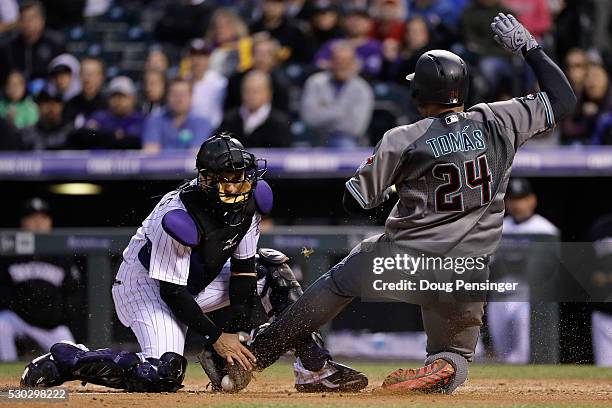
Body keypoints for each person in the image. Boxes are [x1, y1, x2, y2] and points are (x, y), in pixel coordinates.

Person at [227, 14, 576, 394]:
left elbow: (354, 202)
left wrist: (394, 191)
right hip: (471, 267)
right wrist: (530, 47)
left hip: (406, 259)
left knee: (339, 282)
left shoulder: (403, 137)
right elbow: (564, 99)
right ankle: (445, 364)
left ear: (418, 95)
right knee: (455, 354)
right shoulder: (498, 118)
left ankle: (255, 356)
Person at [20, 134, 367, 393]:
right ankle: (70, 360)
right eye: (229, 179)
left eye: (243, 177)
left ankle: (314, 369)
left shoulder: (249, 203)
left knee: (273, 269)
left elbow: (244, 272)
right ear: (207, 179)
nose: (240, 186)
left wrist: (237, 332)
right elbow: (173, 292)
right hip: (147, 289)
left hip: (202, 280)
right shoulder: (178, 216)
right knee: (164, 373)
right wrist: (216, 337)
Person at [487, 178, 559, 364]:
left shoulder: (545, 229)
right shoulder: (498, 228)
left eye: (522, 199)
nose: (517, 204)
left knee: (523, 354)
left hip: (526, 299)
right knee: (502, 354)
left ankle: (528, 390)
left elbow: (546, 271)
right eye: (513, 199)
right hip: (499, 297)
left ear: (532, 200)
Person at [0, 198, 80, 362]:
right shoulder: (9, 254)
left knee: (74, 359)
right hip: (18, 319)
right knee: (1, 324)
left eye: (42, 218)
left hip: (52, 325)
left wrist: (60, 316)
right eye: (32, 218)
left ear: (50, 222)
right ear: (23, 222)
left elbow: (74, 292)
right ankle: (5, 373)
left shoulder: (61, 253)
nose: (37, 223)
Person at [301, 41, 374, 147]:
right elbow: (309, 118)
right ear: (330, 62)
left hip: (346, 140)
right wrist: (342, 112)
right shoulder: (315, 82)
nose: (342, 65)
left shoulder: (362, 89)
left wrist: (324, 111)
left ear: (354, 64)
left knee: (344, 144)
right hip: (315, 137)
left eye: (346, 61)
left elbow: (356, 127)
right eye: (337, 60)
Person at [219, 70, 292, 148]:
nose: (251, 96)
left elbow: (283, 153)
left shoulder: (280, 122)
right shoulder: (230, 119)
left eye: (255, 91)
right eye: (247, 91)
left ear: (268, 93)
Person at [224, 34, 290, 114]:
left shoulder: (281, 84)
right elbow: (229, 109)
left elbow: (283, 114)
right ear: (251, 55)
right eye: (258, 53)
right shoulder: (236, 79)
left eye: (267, 54)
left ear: (274, 59)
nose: (261, 58)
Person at [142, 78, 212, 152]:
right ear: (167, 96)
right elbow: (150, 152)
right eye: (174, 94)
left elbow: (196, 154)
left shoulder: (202, 123)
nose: (179, 99)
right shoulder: (154, 120)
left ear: (191, 97)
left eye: (183, 94)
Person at [0, 1, 64, 82]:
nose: (27, 24)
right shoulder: (9, 48)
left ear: (41, 20)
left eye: (30, 19)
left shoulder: (55, 43)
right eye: (23, 19)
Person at [315, 7, 384, 80]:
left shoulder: (375, 47)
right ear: (345, 22)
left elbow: (372, 71)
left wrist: (337, 66)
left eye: (360, 20)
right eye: (352, 19)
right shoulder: (333, 43)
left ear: (369, 24)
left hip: (363, 85)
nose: (356, 23)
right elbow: (319, 63)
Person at [79, 76, 144, 149]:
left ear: (132, 99)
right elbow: (88, 134)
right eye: (114, 96)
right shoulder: (100, 116)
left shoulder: (139, 119)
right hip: (96, 158)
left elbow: (129, 141)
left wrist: (101, 133)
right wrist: (113, 135)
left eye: (122, 96)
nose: (117, 101)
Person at [250, 0, 314, 64]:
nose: (272, 8)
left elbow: (304, 54)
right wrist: (252, 41)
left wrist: (275, 46)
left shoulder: (294, 28)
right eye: (269, 3)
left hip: (288, 65)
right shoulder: (256, 26)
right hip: (258, 64)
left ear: (283, 6)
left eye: (276, 4)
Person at [186, 39, 227, 130]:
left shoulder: (219, 83)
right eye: (194, 55)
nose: (197, 60)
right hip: (187, 130)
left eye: (202, 55)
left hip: (213, 131)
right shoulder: (184, 80)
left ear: (208, 57)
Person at [65, 57, 106, 127]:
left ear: (101, 78)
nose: (87, 79)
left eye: (93, 74)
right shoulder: (70, 105)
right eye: (84, 73)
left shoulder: (109, 107)